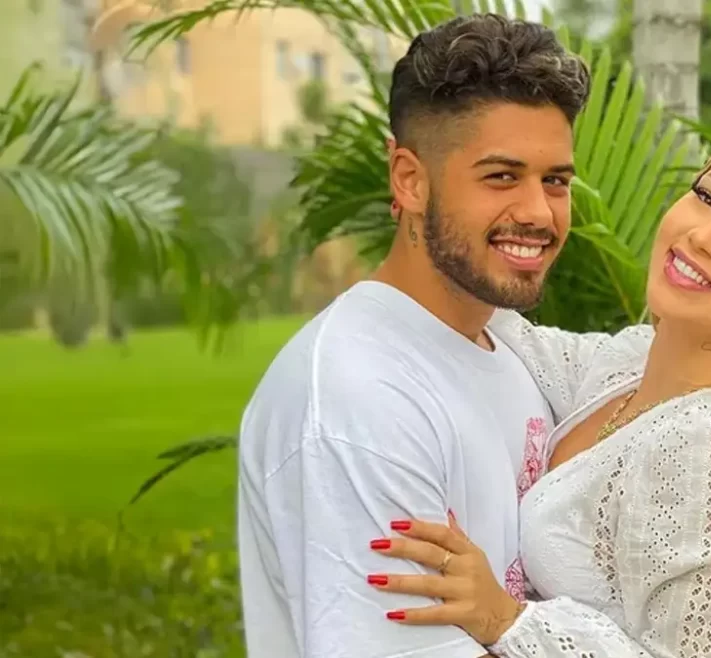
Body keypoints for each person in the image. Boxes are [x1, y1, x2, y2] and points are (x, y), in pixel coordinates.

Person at [367, 122, 711, 656]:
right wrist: (430, 206)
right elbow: (506, 329)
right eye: (707, 197)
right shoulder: (631, 363)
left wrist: (506, 619)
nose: (703, 236)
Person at [235, 14, 590, 658]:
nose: (538, 212)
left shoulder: (512, 349)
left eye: (556, 181)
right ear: (409, 179)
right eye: (501, 176)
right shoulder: (358, 401)